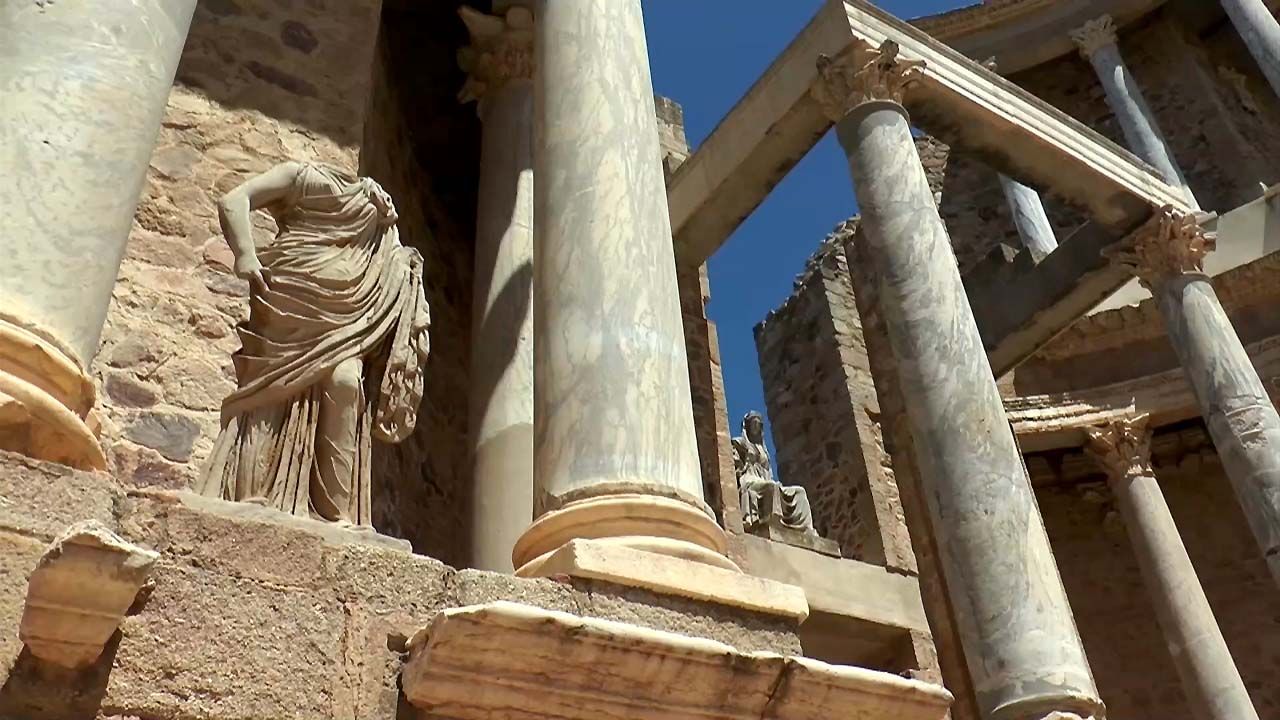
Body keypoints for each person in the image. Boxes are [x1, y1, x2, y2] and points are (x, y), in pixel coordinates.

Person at [196, 161, 430, 526]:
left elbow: (390, 257)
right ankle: (249, 494)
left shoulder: (376, 200)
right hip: (288, 295)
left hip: (349, 309)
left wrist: (405, 265)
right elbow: (234, 200)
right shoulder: (299, 174)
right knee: (269, 394)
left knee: (347, 383)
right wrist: (245, 254)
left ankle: (335, 512)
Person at [731, 411, 816, 535]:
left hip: (763, 480)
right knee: (772, 487)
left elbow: (767, 471)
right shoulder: (740, 443)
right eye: (753, 424)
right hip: (749, 479)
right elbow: (734, 466)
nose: (755, 427)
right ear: (747, 426)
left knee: (800, 492)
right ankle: (774, 522)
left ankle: (806, 530)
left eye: (757, 424)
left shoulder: (764, 450)